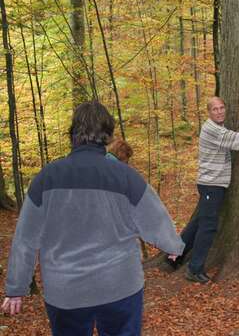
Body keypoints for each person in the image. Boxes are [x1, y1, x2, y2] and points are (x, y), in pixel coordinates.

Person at [2, 101, 184, 336]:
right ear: (107, 135)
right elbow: (154, 216)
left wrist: (16, 287)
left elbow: (25, 238)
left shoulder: (47, 178)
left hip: (66, 291)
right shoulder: (125, 176)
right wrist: (172, 245)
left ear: (73, 134)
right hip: (119, 286)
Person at [168, 97, 239, 283]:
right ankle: (194, 269)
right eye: (215, 109)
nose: (219, 111)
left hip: (212, 184)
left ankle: (175, 255)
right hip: (211, 185)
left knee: (199, 221)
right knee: (208, 226)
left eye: (222, 108)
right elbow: (237, 139)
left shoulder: (217, 128)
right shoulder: (212, 129)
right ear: (209, 112)